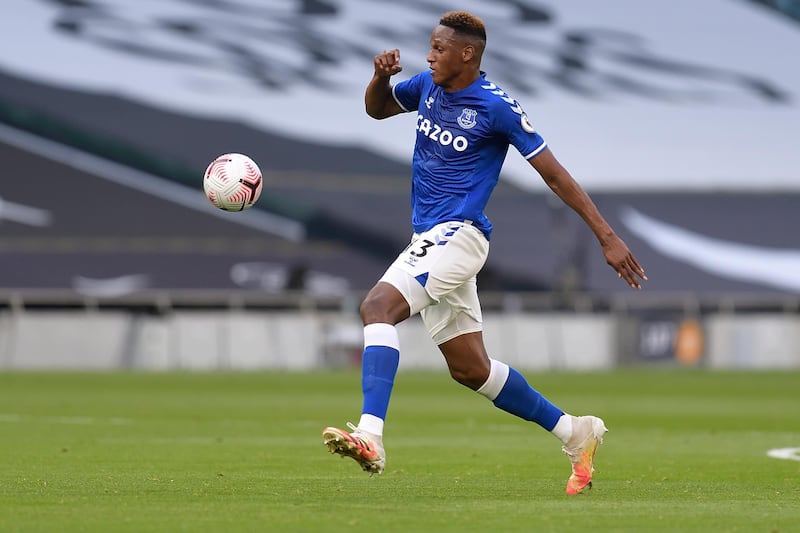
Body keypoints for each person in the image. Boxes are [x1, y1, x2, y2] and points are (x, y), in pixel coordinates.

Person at [322, 10, 646, 495]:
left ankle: (371, 435)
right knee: (470, 369)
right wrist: (378, 79)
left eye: (438, 48)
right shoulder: (428, 86)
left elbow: (554, 174)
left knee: (376, 308)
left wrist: (606, 235)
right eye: (430, 48)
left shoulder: (497, 108)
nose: (429, 56)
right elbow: (379, 109)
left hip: (460, 235)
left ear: (467, 53)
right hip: (430, 239)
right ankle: (575, 432)